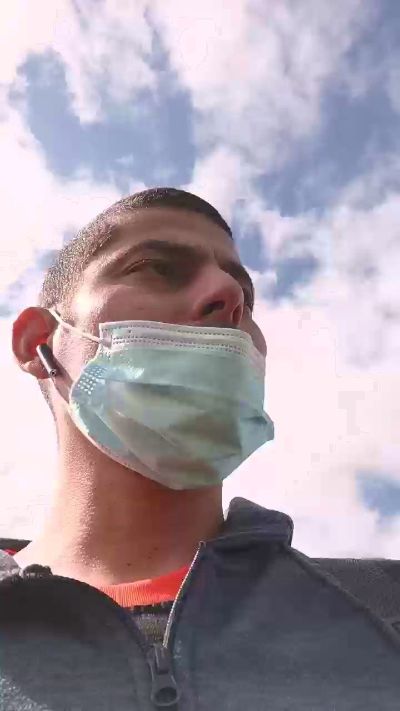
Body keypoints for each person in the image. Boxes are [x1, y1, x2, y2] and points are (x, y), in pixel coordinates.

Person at [1, 187, 399, 710]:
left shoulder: (384, 607)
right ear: (37, 342)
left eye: (246, 296)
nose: (227, 293)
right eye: (156, 268)